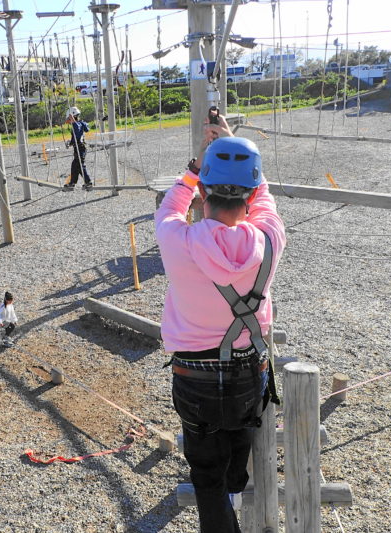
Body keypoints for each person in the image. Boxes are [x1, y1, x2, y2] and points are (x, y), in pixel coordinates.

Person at [154, 115, 286, 533]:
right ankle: (234, 490)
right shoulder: (270, 239)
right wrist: (233, 148)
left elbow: (173, 202)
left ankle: (221, 512)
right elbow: (265, 201)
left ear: (203, 190)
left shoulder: (177, 240)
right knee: (239, 439)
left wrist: (198, 164)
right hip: (249, 368)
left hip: (194, 374)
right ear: (248, 193)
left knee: (205, 473)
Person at [63, 106, 93, 191]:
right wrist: (70, 142)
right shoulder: (79, 123)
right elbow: (77, 136)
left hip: (80, 148)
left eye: (68, 119)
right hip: (79, 148)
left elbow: (78, 129)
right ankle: (72, 183)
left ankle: (88, 182)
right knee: (75, 165)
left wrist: (73, 121)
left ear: (72, 116)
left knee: (80, 165)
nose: (67, 121)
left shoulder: (77, 124)